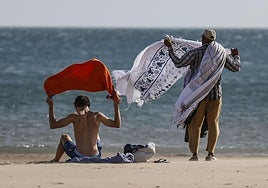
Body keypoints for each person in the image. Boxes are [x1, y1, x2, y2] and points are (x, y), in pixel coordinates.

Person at [164, 29, 241, 161]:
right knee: (213, 124)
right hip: (216, 95)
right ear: (213, 40)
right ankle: (211, 154)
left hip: (198, 95)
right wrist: (236, 56)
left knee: (195, 125)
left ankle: (194, 155)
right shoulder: (221, 54)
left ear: (204, 39)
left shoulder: (195, 52)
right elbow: (235, 67)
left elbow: (179, 63)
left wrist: (170, 48)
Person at [46, 92, 121, 162]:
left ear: (76, 106)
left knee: (64, 137)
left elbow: (53, 125)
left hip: (79, 155)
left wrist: (51, 106)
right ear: (88, 105)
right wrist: (116, 106)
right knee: (96, 135)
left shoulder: (74, 117)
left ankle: (55, 160)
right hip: (96, 155)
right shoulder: (97, 115)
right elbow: (117, 124)